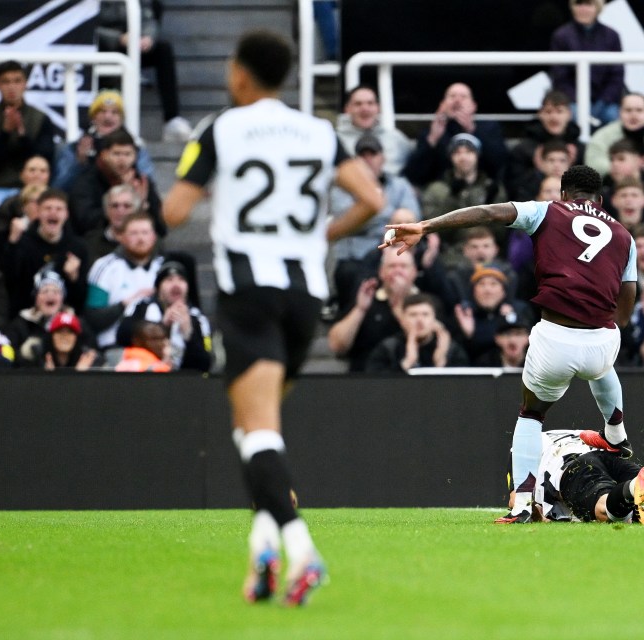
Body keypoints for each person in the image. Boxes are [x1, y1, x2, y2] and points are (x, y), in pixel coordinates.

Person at [162, 30, 384, 606]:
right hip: (304, 295)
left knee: (256, 429)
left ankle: (299, 548)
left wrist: (217, 195)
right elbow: (372, 200)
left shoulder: (221, 128)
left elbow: (174, 209)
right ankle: (262, 549)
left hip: (249, 292)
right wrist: (319, 235)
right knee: (255, 428)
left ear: (239, 73)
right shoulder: (317, 131)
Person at [382, 165, 637, 524]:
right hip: (602, 342)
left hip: (556, 339)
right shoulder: (625, 235)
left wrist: (425, 226)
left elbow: (486, 213)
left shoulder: (547, 210)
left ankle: (520, 506)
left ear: (563, 194)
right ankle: (616, 433)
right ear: (601, 199)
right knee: (603, 358)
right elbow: (625, 310)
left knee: (532, 414)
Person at [329, 134, 421, 313]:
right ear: (355, 161)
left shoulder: (399, 184)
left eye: (373, 154)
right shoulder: (342, 184)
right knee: (349, 273)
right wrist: (389, 213)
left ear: (382, 158)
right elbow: (347, 217)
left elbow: (412, 218)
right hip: (355, 254)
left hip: (394, 249)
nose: (368, 159)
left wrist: (367, 210)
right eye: (363, 155)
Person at [95, 0, 192, 142]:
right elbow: (85, 26)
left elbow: (148, 17)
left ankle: (172, 119)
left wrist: (148, 37)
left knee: (163, 50)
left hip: (133, 43)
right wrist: (117, 38)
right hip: (100, 47)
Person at [328, 249, 424, 372]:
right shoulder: (365, 298)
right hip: (366, 377)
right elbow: (336, 346)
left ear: (414, 272)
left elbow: (424, 341)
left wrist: (397, 306)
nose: (397, 271)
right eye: (392, 266)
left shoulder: (426, 301)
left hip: (412, 377)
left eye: (403, 266)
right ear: (381, 272)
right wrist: (360, 309)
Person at [2, 188, 89, 317]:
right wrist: (12, 243)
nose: (53, 213)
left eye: (59, 209)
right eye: (48, 208)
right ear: (38, 212)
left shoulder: (78, 247)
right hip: (25, 318)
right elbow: (9, 283)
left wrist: (74, 278)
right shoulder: (22, 242)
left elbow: (81, 299)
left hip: (65, 320)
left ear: (66, 214)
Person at [403, 82, 509, 187]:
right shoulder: (430, 132)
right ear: (442, 105)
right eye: (452, 96)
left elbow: (500, 165)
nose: (457, 101)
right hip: (442, 193)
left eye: (463, 97)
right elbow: (414, 175)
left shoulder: (489, 128)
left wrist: (472, 131)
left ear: (473, 106)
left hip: (483, 189)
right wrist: (432, 140)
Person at [422, 133, 507, 261]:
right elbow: (433, 231)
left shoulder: (492, 189)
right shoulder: (436, 190)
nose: (463, 157)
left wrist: (491, 203)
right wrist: (452, 199)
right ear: (451, 157)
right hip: (450, 254)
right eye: (457, 152)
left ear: (477, 155)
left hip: (487, 252)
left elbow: (502, 234)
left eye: (468, 152)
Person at [116, 260, 212, 372]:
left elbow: (205, 363)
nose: (176, 285)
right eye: (169, 280)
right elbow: (122, 336)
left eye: (181, 280)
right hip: (143, 375)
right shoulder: (142, 307)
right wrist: (161, 327)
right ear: (158, 287)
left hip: (182, 380)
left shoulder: (198, 318)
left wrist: (189, 334)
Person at [68, 127, 165, 237]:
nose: (122, 160)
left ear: (135, 157)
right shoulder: (86, 181)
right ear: (104, 155)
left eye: (127, 154)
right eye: (117, 154)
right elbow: (84, 221)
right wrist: (123, 197)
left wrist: (141, 205)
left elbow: (160, 228)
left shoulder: (141, 182)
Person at [85, 212, 162, 349]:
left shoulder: (163, 268)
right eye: (134, 233)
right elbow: (93, 317)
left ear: (154, 237)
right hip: (115, 348)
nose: (140, 238)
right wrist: (125, 304)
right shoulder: (104, 267)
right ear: (122, 237)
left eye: (145, 233)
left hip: (157, 348)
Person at [52, 90, 155, 192]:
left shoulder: (137, 150)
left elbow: (149, 186)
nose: (108, 116)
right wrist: (79, 162)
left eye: (114, 112)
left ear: (121, 119)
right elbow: (58, 188)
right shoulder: (72, 149)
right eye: (102, 111)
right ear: (93, 117)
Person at [0, 60, 57, 209]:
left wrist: (22, 135)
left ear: (26, 84)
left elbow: (45, 159)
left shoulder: (40, 118)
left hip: (34, 188)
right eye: (5, 82)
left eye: (17, 81)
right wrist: (5, 133)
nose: (12, 87)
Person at [549, 0, 625, 127]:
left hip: (605, 102)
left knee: (615, 117)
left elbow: (616, 76)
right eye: (579, 4)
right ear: (572, 7)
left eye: (588, 4)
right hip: (572, 101)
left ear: (598, 8)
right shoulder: (561, 36)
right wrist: (578, 101)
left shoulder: (611, 36)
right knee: (572, 115)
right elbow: (560, 76)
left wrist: (602, 102)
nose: (583, 9)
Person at [505, 90, 584, 201]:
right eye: (548, 112)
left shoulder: (581, 149)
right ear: (540, 114)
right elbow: (514, 188)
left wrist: (571, 168)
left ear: (569, 114)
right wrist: (538, 171)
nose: (554, 117)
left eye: (559, 111)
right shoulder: (522, 150)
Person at [364, 293, 468, 373]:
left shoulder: (451, 349)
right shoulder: (389, 348)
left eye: (425, 314)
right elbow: (375, 386)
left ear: (434, 319)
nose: (420, 320)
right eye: (413, 315)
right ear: (402, 321)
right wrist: (407, 363)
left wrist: (441, 362)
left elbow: (463, 388)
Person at [453, 264, 534, 364]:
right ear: (473, 291)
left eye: (493, 284)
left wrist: (508, 321)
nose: (487, 290)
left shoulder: (519, 310)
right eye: (481, 284)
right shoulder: (464, 314)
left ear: (504, 291)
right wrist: (467, 336)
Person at [336, 84, 413, 176]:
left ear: (378, 108)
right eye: (358, 104)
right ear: (347, 109)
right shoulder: (335, 140)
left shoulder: (397, 139)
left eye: (370, 103)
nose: (365, 108)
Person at [85, 184, 143, 262]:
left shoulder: (148, 243)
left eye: (126, 206)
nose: (120, 211)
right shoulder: (89, 242)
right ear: (107, 211)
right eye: (115, 206)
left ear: (136, 211)